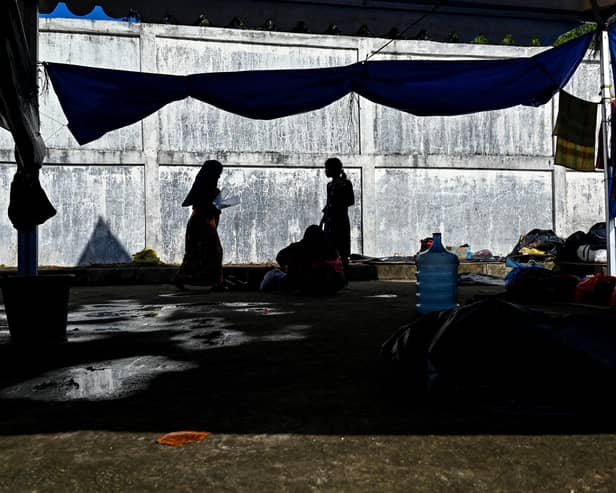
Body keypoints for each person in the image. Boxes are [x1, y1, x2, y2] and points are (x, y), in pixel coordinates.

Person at [174, 160, 225, 290]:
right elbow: (206, 207)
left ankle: (194, 281)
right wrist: (215, 208)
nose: (218, 177)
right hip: (203, 224)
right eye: (217, 174)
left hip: (201, 223)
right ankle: (201, 282)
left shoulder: (202, 187)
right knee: (207, 253)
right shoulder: (207, 190)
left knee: (200, 253)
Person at [260, 224, 346, 295]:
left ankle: (274, 275)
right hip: (332, 284)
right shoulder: (331, 250)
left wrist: (291, 264)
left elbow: (280, 257)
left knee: (275, 277)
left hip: (301, 282)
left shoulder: (299, 247)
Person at [321, 157, 355, 274]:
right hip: (330, 222)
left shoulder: (346, 184)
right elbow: (328, 204)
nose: (325, 171)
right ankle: (332, 274)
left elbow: (350, 201)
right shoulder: (329, 185)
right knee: (330, 248)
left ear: (333, 169)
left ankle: (344, 275)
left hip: (340, 222)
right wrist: (323, 220)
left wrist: (339, 200)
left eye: (327, 168)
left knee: (343, 249)